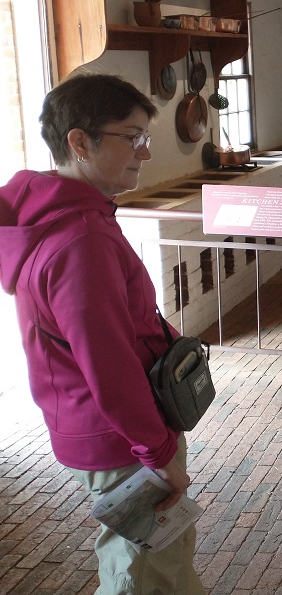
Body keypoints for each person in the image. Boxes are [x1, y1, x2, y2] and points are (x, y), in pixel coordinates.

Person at [0, 73, 205, 594]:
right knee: (148, 574)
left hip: (96, 423)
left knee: (151, 562)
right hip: (119, 437)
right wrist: (158, 453)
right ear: (79, 141)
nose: (145, 152)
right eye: (132, 137)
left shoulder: (59, 215)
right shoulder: (80, 239)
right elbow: (109, 367)